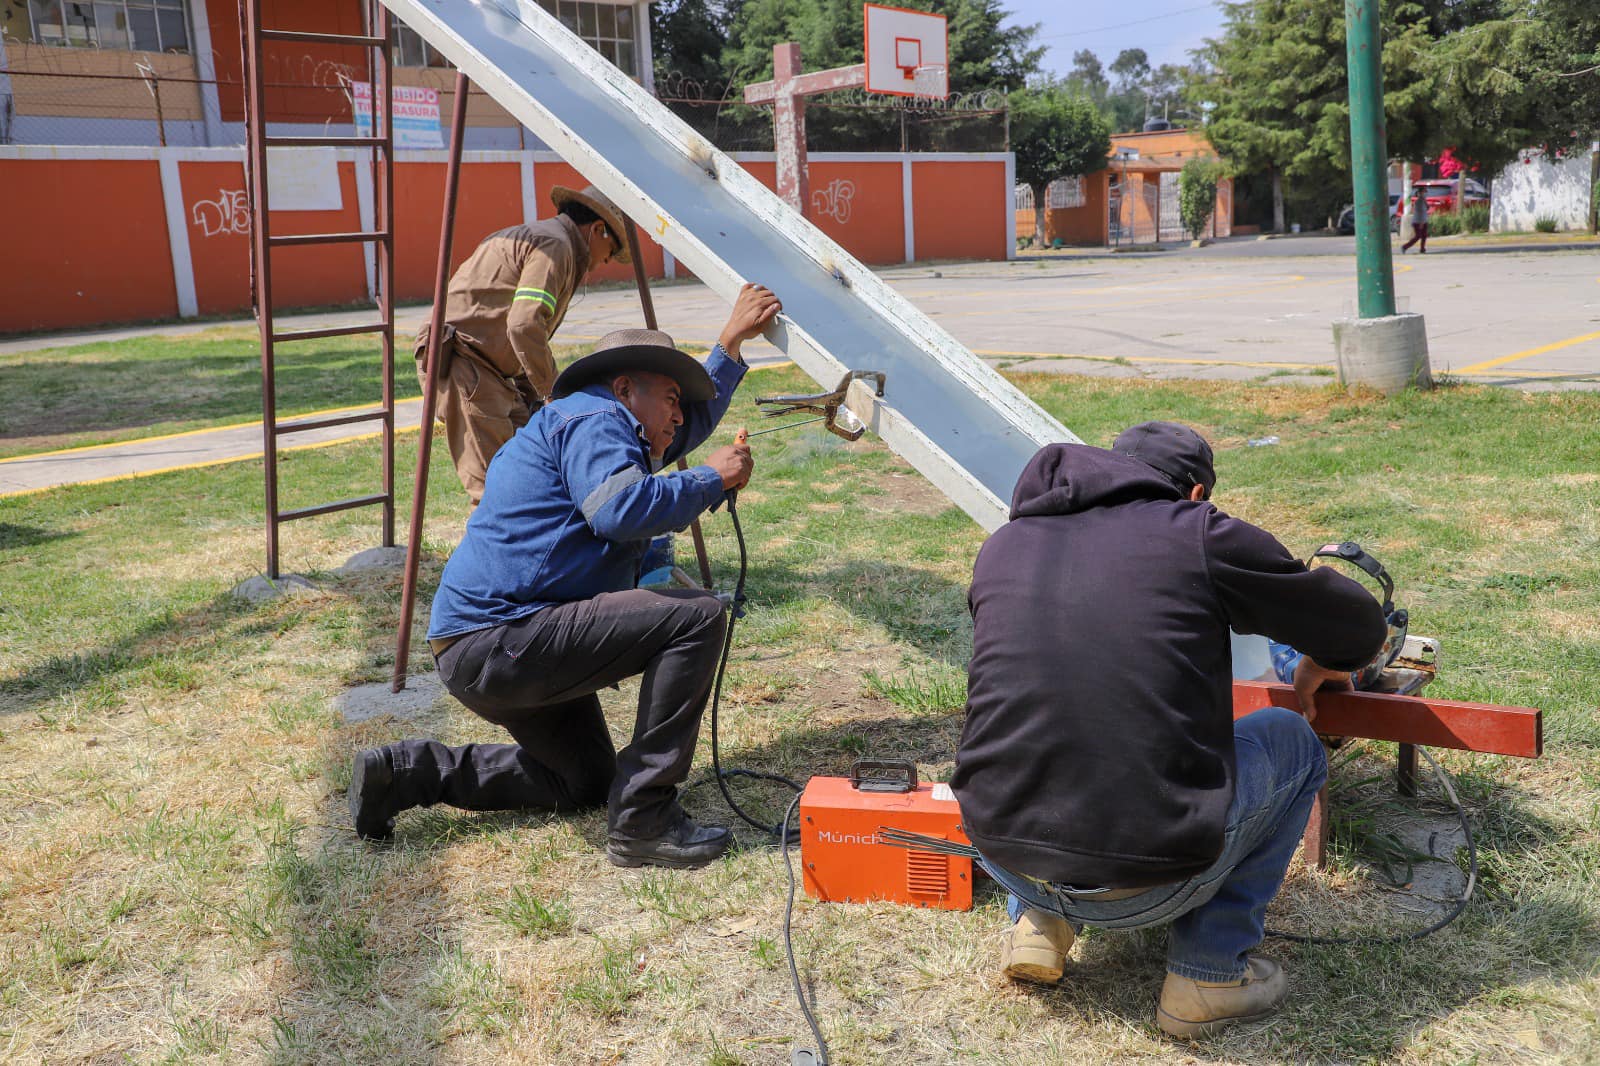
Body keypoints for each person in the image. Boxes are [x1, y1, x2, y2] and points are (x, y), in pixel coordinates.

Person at [951, 421, 1386, 1039]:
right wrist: (1321, 661)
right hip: (1151, 876)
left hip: (1003, 854)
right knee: (1287, 736)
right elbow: (1359, 629)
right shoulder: (1198, 534)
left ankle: (1037, 927)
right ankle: (1206, 975)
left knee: (1045, 713)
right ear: (1197, 495)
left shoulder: (1005, 543)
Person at [354, 283, 783, 869]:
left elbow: (679, 432)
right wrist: (708, 479)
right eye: (671, 399)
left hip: (483, 646)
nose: (680, 419)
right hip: (503, 639)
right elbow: (618, 511)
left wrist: (730, 344)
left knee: (581, 781)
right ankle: (645, 820)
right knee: (698, 615)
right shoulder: (596, 418)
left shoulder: (596, 422)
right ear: (625, 388)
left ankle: (406, 773)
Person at [415, 184, 629, 507]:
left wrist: (534, 393)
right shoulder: (556, 247)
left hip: (491, 370)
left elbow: (520, 328)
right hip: (468, 364)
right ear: (597, 230)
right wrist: (554, 394)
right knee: (495, 493)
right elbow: (524, 324)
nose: (607, 262)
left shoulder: (555, 241)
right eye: (611, 250)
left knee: (531, 472)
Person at [1400, 186, 1430, 254]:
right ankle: (1404, 247)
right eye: (1425, 191)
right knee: (1418, 236)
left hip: (1424, 220)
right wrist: (1421, 223)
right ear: (1421, 193)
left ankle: (1422, 249)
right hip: (1418, 221)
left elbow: (1426, 209)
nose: (1426, 193)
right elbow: (1420, 213)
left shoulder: (1423, 200)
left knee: (1424, 236)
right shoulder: (1419, 201)